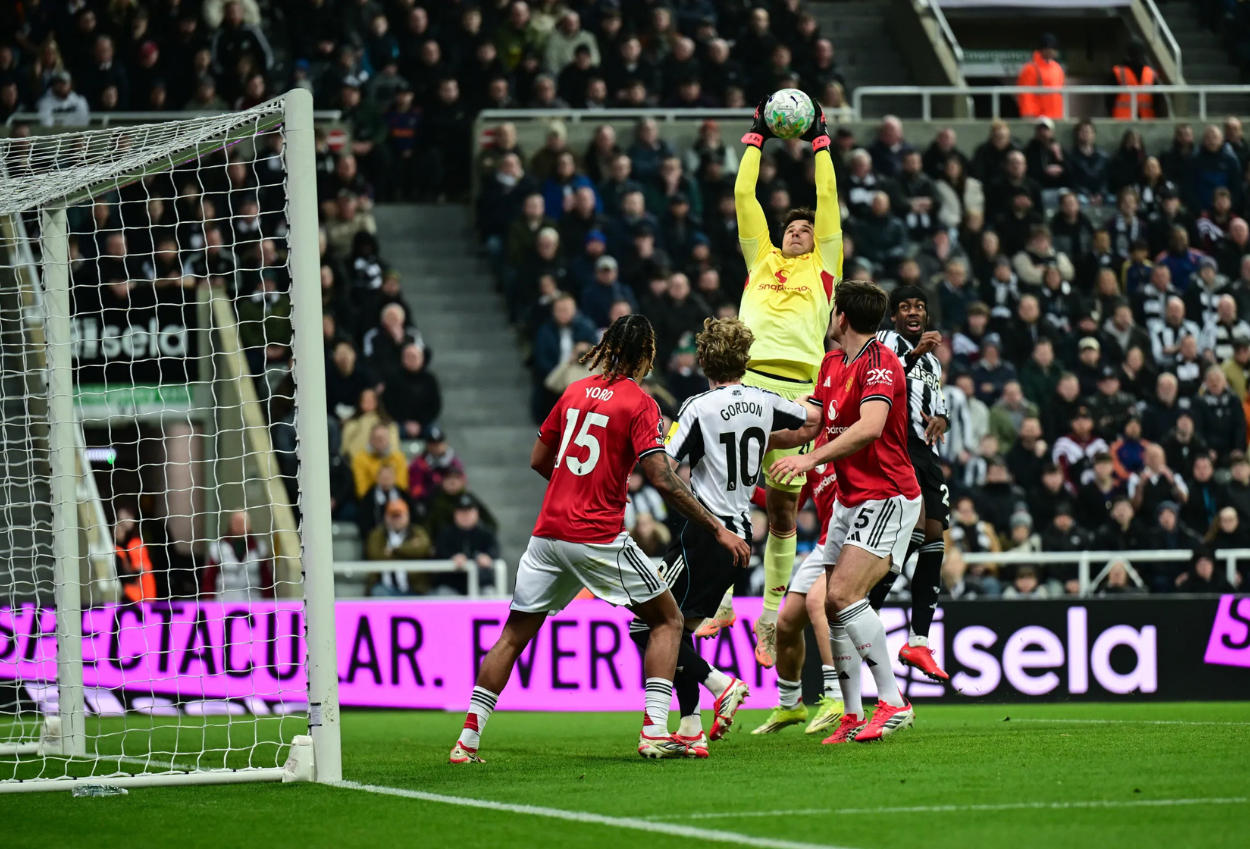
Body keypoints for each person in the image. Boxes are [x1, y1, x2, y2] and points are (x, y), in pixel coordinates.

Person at [449, 315, 750, 764]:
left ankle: (467, 741)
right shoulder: (640, 403)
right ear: (646, 354)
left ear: (609, 347)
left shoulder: (573, 391)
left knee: (512, 636)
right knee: (665, 621)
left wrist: (571, 487)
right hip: (595, 535)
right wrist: (717, 527)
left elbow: (538, 458)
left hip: (547, 534)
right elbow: (664, 481)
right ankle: (653, 731)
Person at [700, 97, 842, 669]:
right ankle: (724, 600)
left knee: (783, 513)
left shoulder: (823, 266)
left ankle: (767, 615)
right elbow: (743, 197)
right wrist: (755, 139)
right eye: (793, 228)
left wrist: (822, 143)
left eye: (807, 229)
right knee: (731, 501)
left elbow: (828, 199)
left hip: (798, 392)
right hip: (749, 384)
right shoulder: (760, 259)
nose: (800, 233)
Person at [634, 317, 816, 755]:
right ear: (746, 361)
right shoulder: (762, 399)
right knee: (678, 631)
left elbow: (665, 462)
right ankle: (692, 727)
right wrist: (764, 438)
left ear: (703, 361)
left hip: (707, 534)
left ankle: (722, 684)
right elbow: (811, 421)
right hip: (741, 534)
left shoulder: (697, 406)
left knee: (648, 626)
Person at [771, 280, 922, 744]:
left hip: (888, 495)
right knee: (836, 608)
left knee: (842, 596)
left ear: (841, 318)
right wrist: (754, 435)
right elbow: (810, 423)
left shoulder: (881, 363)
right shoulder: (832, 362)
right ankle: (854, 713)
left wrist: (810, 459)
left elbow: (871, 427)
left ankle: (894, 702)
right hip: (851, 500)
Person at [870, 286, 951, 681]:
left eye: (919, 306)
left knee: (935, 537)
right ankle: (866, 607)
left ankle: (918, 641)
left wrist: (943, 419)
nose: (913, 312)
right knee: (914, 531)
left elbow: (937, 403)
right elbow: (881, 380)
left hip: (926, 452)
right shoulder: (885, 343)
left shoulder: (933, 364)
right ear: (894, 316)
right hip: (896, 444)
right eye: (905, 307)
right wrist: (915, 353)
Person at [751, 428, 846, 737]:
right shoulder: (805, 447)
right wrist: (743, 488)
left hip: (856, 538)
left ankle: (837, 697)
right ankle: (791, 703)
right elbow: (788, 501)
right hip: (826, 542)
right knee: (786, 623)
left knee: (819, 600)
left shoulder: (847, 434)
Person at [364, 499, 433, 596]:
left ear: (407, 516)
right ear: (386, 517)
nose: (396, 520)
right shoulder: (377, 534)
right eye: (392, 516)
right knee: (378, 591)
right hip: (385, 588)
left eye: (399, 516)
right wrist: (407, 555)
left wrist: (395, 550)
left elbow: (423, 548)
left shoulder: (417, 532)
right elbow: (375, 555)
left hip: (414, 588)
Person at [1015, 33, 1065, 120]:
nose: (1054, 51)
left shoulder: (1057, 68)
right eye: (1051, 48)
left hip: (1057, 116)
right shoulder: (1030, 68)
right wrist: (1028, 114)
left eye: (1054, 48)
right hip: (1038, 118)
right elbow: (1025, 95)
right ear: (1043, 50)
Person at [114, 507, 157, 604]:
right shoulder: (121, 547)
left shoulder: (135, 544)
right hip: (135, 595)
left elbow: (141, 570)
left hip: (140, 596)